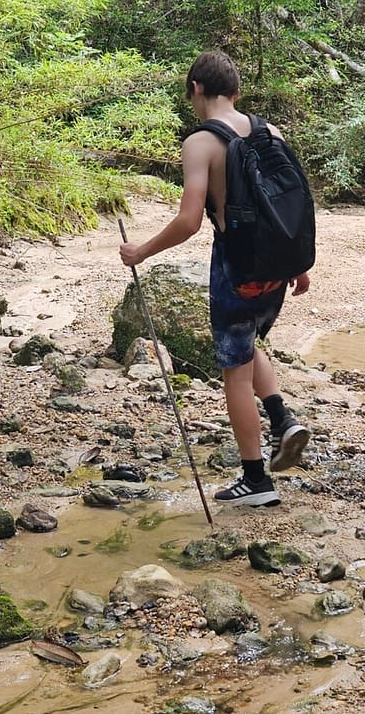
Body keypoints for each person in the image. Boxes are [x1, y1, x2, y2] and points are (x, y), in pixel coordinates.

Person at [119, 51, 311, 507]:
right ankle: (282, 419)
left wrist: (141, 252)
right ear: (237, 92)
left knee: (235, 373)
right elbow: (290, 202)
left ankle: (256, 480)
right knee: (248, 343)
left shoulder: (200, 143)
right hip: (276, 266)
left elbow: (190, 221)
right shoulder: (270, 131)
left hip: (237, 267)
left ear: (196, 88)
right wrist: (297, 262)